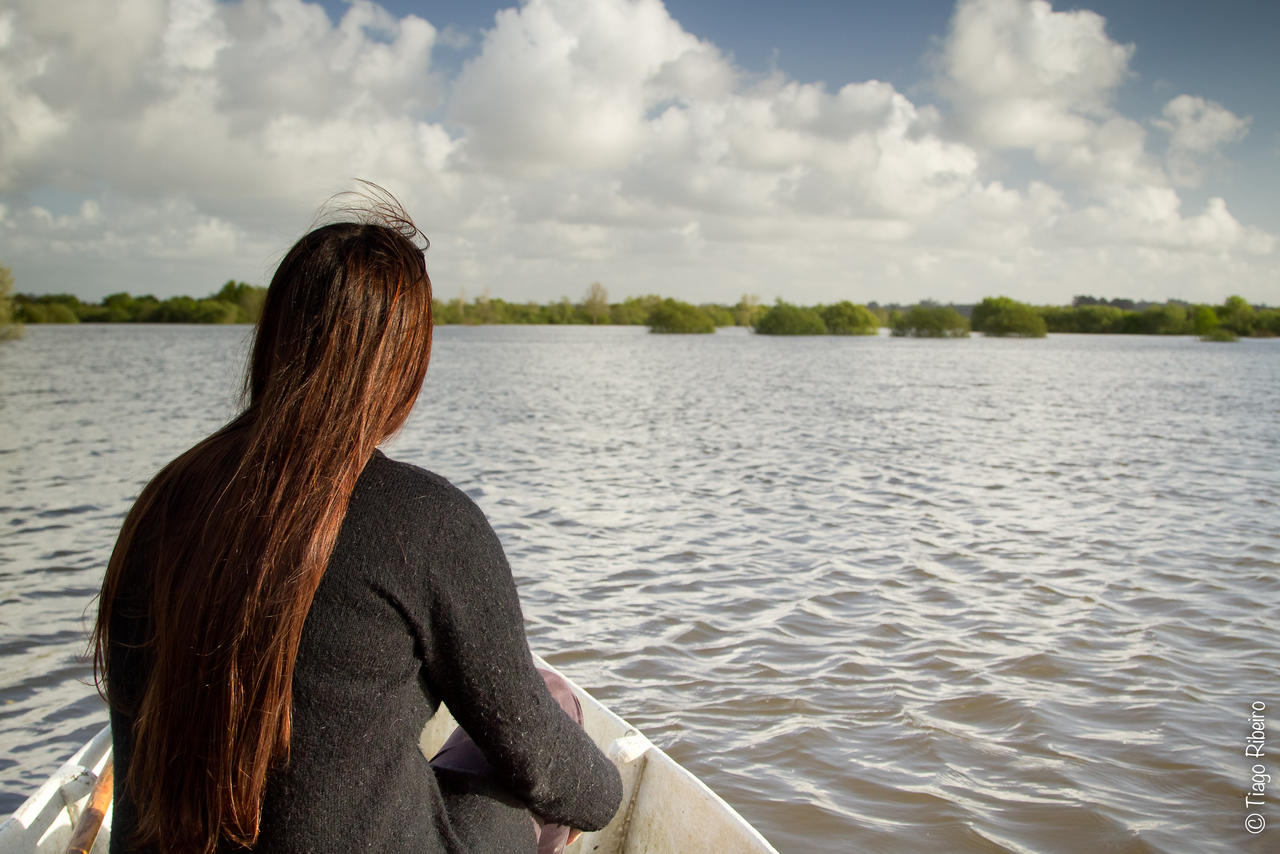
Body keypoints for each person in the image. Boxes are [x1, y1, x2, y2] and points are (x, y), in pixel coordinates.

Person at [93, 189, 622, 853]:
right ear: (403, 364)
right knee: (552, 704)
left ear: (276, 336)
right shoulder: (427, 523)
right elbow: (555, 772)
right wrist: (609, 787)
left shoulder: (163, 500)